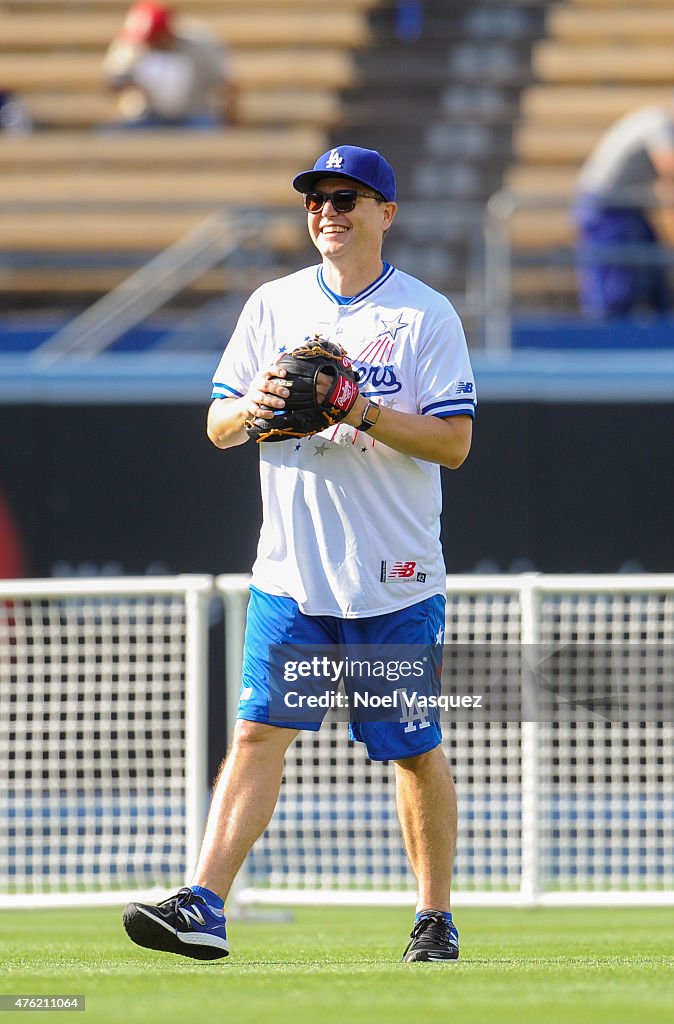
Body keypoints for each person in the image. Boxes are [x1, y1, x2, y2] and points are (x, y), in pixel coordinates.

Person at [122, 145, 477, 963]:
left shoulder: (425, 315)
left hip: (391, 576)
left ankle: (432, 915)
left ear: (385, 213)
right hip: (290, 573)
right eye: (316, 199)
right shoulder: (272, 304)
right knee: (256, 734)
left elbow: (454, 443)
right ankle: (202, 903)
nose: (328, 211)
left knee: (412, 749)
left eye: (347, 198)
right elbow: (217, 426)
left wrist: (358, 406)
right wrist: (255, 407)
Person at [573, 86, 674, 317]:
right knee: (615, 279)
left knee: (651, 266)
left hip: (626, 206)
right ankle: (606, 331)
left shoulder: (666, 128)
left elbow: (668, 189)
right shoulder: (658, 123)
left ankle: (652, 322)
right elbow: (671, 170)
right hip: (605, 206)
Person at [102, 2, 237, 128]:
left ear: (166, 34)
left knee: (210, 132)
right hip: (147, 116)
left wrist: (229, 119)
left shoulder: (199, 44)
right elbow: (111, 85)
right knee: (109, 136)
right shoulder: (131, 46)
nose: (150, 45)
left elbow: (226, 84)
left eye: (154, 39)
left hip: (194, 116)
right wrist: (132, 85)